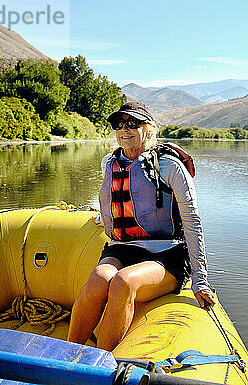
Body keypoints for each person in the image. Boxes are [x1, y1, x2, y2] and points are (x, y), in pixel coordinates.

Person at [67, 101, 215, 351]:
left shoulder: (170, 166)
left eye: (133, 123)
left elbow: (192, 222)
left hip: (167, 254)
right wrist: (103, 219)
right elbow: (115, 201)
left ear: (150, 129)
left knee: (123, 282)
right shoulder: (109, 163)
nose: (124, 129)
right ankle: (65, 358)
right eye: (119, 124)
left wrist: (200, 281)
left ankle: (99, 367)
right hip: (122, 247)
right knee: (98, 280)